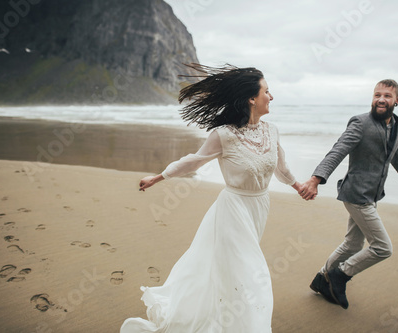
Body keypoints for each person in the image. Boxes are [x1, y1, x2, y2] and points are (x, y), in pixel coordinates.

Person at [120, 64, 302, 332]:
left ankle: (221, 317)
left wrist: (299, 186)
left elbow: (281, 168)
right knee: (254, 274)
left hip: (259, 207)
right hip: (233, 210)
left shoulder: (271, 131)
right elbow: (194, 161)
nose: (271, 96)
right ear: (252, 98)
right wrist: (160, 177)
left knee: (231, 272)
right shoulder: (224, 135)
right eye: (267, 91)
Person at [300, 79, 398, 309]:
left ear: (397, 100)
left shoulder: (397, 126)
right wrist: (315, 179)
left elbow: (397, 158)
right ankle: (340, 275)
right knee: (382, 248)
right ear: (372, 97)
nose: (381, 99)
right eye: (377, 94)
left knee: (352, 245)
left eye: (387, 96)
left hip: (372, 195)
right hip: (356, 195)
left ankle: (322, 278)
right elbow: (338, 150)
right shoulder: (360, 122)